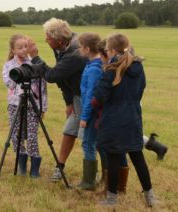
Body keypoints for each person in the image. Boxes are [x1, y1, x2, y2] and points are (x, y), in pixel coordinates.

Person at [94, 33, 155, 207]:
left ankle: (112, 199)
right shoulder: (138, 67)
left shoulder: (111, 70)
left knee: (113, 158)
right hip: (133, 117)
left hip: (113, 119)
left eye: (107, 50)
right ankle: (150, 197)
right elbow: (141, 89)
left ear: (112, 50)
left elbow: (100, 96)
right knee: (137, 157)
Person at [27, 18, 87, 181]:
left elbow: (53, 76)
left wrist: (35, 58)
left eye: (48, 37)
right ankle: (60, 168)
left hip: (88, 99)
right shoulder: (61, 46)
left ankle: (92, 177)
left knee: (92, 137)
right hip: (77, 96)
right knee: (69, 131)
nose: (46, 40)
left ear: (59, 40)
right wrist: (68, 102)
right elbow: (64, 78)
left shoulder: (75, 53)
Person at [2, 34, 47, 178]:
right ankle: (21, 165)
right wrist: (18, 74)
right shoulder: (8, 65)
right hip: (15, 104)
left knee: (32, 135)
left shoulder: (35, 65)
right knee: (16, 136)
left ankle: (35, 169)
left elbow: (42, 88)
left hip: (32, 105)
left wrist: (43, 107)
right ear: (13, 50)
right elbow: (9, 84)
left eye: (25, 47)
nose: (23, 50)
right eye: (19, 47)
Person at [77, 32, 104, 190]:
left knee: (88, 144)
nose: (79, 49)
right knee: (96, 144)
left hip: (92, 113)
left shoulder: (94, 69)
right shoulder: (94, 65)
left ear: (87, 49)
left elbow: (90, 95)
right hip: (94, 112)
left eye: (81, 47)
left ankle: (88, 182)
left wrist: (85, 117)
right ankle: (103, 178)